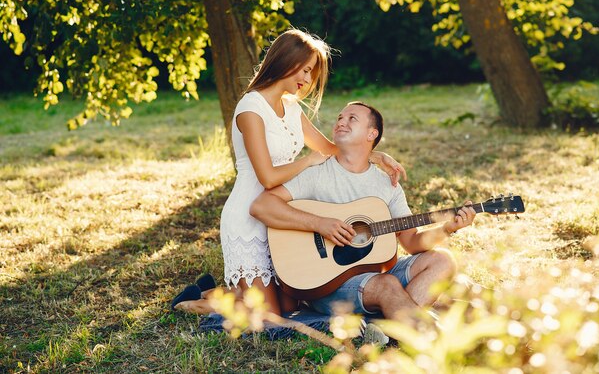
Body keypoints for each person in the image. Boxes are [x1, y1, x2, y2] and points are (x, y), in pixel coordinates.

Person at [172, 30, 406, 315]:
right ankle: (195, 304)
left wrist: (375, 154)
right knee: (270, 315)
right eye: (306, 71)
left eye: (311, 74)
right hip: (248, 218)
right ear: (287, 61)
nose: (307, 81)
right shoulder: (251, 108)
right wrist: (306, 163)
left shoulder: (291, 108)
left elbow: (330, 149)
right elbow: (267, 177)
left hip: (284, 218)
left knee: (291, 302)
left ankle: (215, 290)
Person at [249, 102, 476, 320]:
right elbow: (262, 206)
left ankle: (392, 323)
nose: (341, 122)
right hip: (327, 286)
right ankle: (418, 331)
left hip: (376, 277)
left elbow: (412, 242)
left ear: (371, 134)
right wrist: (319, 223)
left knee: (444, 261)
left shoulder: (388, 185)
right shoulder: (317, 173)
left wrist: (447, 228)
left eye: (352, 118)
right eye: (340, 117)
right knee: (386, 285)